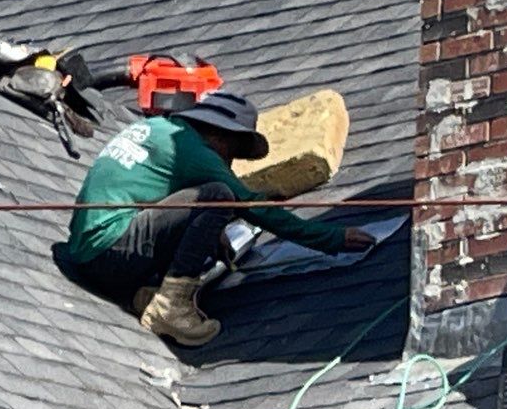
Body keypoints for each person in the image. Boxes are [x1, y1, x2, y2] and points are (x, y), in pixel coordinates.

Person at [63, 91, 374, 347]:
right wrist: (333, 238)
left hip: (89, 252)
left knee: (212, 202)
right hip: (110, 253)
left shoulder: (162, 130)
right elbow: (253, 206)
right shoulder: (192, 150)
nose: (229, 161)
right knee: (218, 193)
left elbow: (162, 202)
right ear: (221, 135)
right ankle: (171, 305)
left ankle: (143, 294)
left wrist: (210, 232)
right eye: (233, 151)